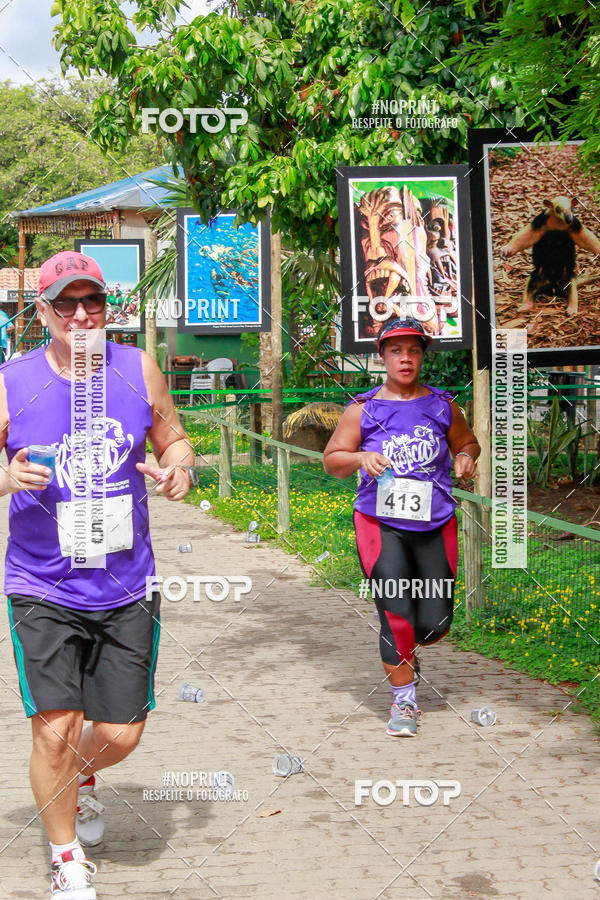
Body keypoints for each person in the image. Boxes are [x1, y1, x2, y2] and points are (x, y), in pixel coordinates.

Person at [0, 251, 196, 898]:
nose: (81, 315)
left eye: (93, 302)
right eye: (66, 303)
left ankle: (75, 776)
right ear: (43, 312)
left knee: (121, 731)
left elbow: (174, 439)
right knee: (54, 731)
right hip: (42, 585)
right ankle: (66, 858)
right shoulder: (12, 381)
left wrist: (180, 470)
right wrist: (6, 477)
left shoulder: (137, 369)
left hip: (125, 584)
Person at [323, 317, 480, 737]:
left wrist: (466, 456)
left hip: (436, 522)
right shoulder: (363, 409)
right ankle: (404, 700)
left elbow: (467, 442)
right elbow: (332, 460)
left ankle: (412, 650)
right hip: (380, 523)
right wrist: (360, 458)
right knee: (396, 611)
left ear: (422, 356)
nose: (405, 358)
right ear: (382, 357)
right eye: (396, 351)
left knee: (434, 623)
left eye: (413, 350)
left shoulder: (443, 406)